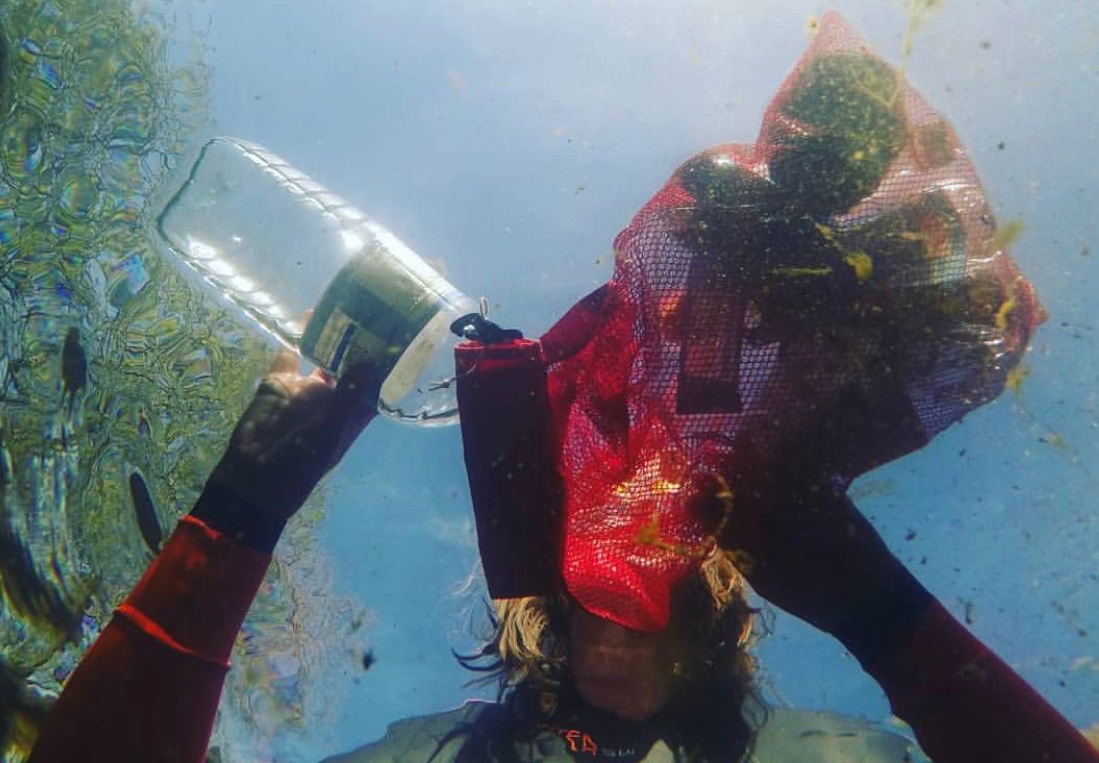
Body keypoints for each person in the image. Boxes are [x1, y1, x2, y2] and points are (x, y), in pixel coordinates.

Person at [24, 341, 1099, 763]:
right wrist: (237, 512)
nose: (619, 623)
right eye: (597, 599)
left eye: (653, 601)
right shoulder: (441, 759)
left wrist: (885, 615)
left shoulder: (823, 759)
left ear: (710, 633)